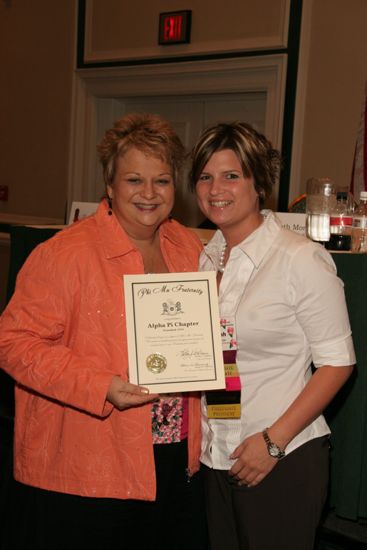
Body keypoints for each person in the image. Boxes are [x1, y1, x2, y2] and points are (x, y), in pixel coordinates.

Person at [0, 113, 207, 549]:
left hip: (172, 454)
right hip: (91, 457)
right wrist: (101, 386)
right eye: (134, 180)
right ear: (110, 186)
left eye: (162, 181)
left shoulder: (187, 247)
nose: (149, 194)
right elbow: (13, 343)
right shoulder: (64, 254)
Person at [189, 121, 355, 550]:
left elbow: (338, 363)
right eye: (205, 176)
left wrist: (274, 441)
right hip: (218, 452)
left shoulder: (300, 259)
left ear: (258, 182)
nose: (215, 188)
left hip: (282, 457)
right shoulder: (204, 260)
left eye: (231, 175)